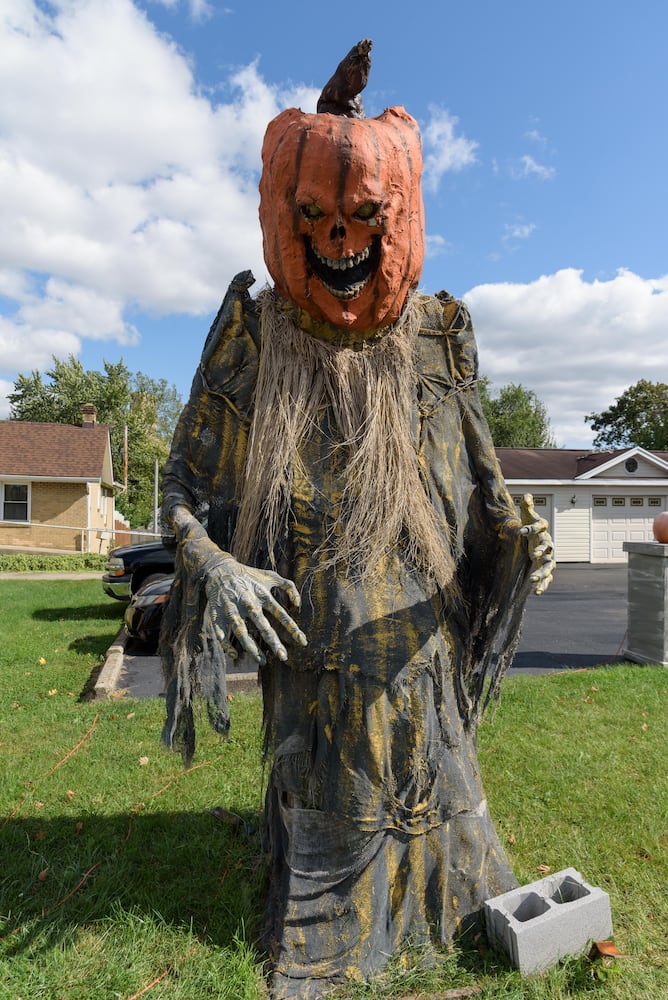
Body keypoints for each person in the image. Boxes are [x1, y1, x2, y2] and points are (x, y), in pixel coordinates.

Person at [160, 40, 554, 1000]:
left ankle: (444, 912)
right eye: (316, 219)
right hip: (317, 653)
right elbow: (179, 490)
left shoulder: (437, 336)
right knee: (326, 796)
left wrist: (520, 548)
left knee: (441, 805)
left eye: (364, 219)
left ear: (400, 213)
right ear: (282, 214)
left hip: (421, 656)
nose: (341, 242)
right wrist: (212, 562)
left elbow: (486, 497)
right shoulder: (256, 338)